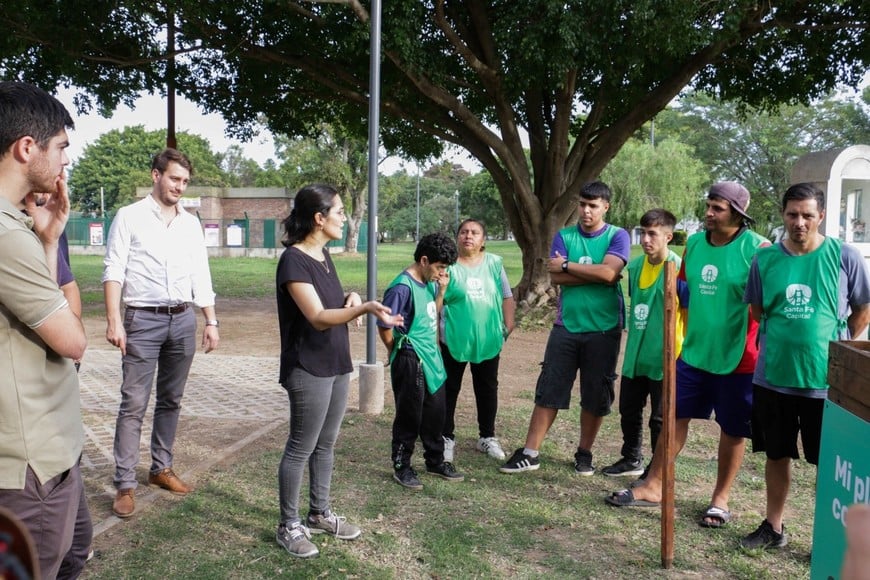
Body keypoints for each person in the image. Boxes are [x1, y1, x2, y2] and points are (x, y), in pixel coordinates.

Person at [607, 182, 768, 529]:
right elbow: (686, 292)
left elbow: (765, 304)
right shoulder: (694, 244)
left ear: (738, 214)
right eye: (708, 205)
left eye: (717, 208)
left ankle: (720, 499)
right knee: (673, 417)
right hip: (693, 352)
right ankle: (654, 485)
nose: (708, 213)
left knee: (733, 429)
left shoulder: (758, 248)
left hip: (738, 357)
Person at [274, 184, 401, 558]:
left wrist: (351, 297)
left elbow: (328, 303)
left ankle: (319, 513)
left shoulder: (323, 255)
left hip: (335, 361)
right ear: (319, 218)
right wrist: (364, 309)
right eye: (340, 212)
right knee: (301, 446)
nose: (344, 218)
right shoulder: (294, 261)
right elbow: (316, 316)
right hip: (308, 366)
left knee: (326, 443)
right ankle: (288, 525)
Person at [740, 183, 870, 549]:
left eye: (807, 215)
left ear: (821, 216)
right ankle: (773, 527)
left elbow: (862, 311)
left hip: (827, 384)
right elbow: (757, 310)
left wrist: (834, 347)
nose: (799, 222)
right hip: (773, 378)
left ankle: (829, 539)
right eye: (792, 214)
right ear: (783, 215)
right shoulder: (765, 259)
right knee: (776, 454)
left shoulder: (844, 256)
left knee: (830, 464)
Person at [0, 80, 91, 579]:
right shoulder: (7, 236)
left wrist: (50, 240)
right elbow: (73, 341)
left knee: (72, 555)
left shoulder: (19, 227)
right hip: (30, 463)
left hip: (50, 451)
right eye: (60, 147)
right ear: (26, 147)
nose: (65, 161)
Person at [103, 148, 220, 518]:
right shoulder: (129, 216)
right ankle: (125, 483)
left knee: (171, 399)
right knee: (133, 403)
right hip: (142, 320)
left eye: (185, 181)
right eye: (174, 178)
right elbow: (114, 269)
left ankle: (161, 468)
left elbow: (200, 273)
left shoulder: (190, 224)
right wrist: (114, 319)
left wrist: (211, 320)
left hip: (183, 319)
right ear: (156, 175)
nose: (180, 187)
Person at [500, 181, 630, 475]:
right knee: (550, 387)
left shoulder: (617, 236)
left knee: (596, 394)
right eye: (582, 204)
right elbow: (556, 277)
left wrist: (569, 266)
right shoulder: (564, 235)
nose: (586, 210)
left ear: (605, 207)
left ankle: (584, 453)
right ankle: (530, 453)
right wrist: (595, 274)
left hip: (604, 327)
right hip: (567, 326)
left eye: (593, 205)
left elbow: (609, 272)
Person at [601, 209, 684, 478]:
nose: (646, 240)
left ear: (668, 237)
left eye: (653, 234)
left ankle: (655, 470)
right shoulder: (635, 268)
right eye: (643, 233)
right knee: (629, 409)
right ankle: (631, 458)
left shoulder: (679, 268)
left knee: (659, 418)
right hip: (636, 353)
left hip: (666, 355)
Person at [379, 232, 463, 490]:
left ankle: (435, 461)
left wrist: (442, 291)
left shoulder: (429, 283)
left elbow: (430, 313)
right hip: (411, 358)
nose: (442, 273)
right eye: (440, 267)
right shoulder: (402, 288)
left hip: (432, 358)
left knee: (436, 413)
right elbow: (384, 325)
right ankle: (402, 465)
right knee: (409, 416)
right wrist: (396, 352)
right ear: (424, 260)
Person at [440, 218, 516, 462]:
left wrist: (509, 324)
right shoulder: (448, 266)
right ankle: (445, 436)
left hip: (488, 338)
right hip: (453, 339)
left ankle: (487, 437)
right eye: (463, 232)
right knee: (449, 388)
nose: (468, 236)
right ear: (457, 237)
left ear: (483, 240)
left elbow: (506, 295)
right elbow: (437, 300)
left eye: (474, 232)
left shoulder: (494, 263)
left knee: (487, 388)